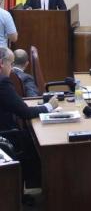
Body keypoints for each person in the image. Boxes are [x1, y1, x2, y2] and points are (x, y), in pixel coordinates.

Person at [0, 47, 58, 189]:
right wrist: (49, 107)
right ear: (2, 63)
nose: (12, 69)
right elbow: (25, 112)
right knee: (34, 141)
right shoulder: (3, 82)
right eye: (11, 64)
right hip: (6, 135)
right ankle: (41, 187)